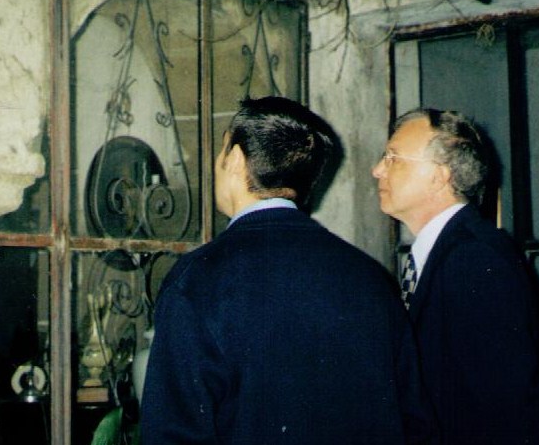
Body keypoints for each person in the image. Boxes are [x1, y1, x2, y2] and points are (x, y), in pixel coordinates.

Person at [141, 96, 430, 445]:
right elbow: (415, 425)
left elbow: (173, 432)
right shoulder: (371, 279)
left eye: (221, 153)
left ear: (234, 159)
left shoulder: (198, 279)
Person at [372, 107, 539, 445]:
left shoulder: (474, 257)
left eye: (393, 157)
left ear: (439, 176)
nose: (377, 169)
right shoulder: (448, 251)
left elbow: (501, 407)